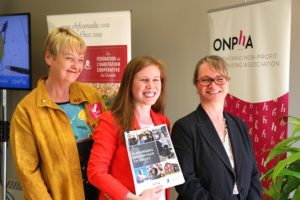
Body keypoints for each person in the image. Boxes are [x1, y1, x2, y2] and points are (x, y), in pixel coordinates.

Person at [10, 27, 104, 200]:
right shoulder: (26, 111)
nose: (76, 66)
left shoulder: (91, 95)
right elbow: (28, 172)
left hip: (100, 193)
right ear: (48, 57)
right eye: (69, 58)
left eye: (80, 60)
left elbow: (108, 139)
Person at [171, 55, 262, 200]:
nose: (213, 85)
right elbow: (186, 182)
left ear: (227, 83)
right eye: (206, 80)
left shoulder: (240, 125)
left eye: (220, 79)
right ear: (196, 85)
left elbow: (253, 174)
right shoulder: (184, 128)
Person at [87, 56, 171, 200]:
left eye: (156, 80)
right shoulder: (110, 121)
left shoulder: (163, 121)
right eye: (144, 80)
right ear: (129, 84)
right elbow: (96, 172)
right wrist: (131, 198)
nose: (151, 86)